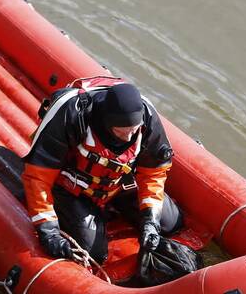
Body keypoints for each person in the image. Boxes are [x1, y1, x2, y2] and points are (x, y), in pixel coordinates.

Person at [21, 80, 183, 263]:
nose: (128, 137)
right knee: (94, 252)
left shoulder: (147, 119)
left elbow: (154, 173)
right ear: (107, 122)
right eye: (121, 132)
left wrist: (150, 221)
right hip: (72, 188)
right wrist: (48, 231)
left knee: (170, 223)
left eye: (133, 131)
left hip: (117, 184)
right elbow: (37, 176)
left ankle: (122, 208)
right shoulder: (72, 115)